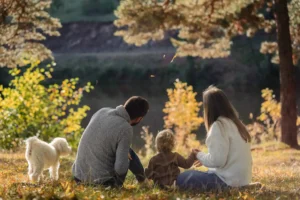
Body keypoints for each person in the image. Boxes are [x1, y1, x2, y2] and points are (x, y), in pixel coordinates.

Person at [176, 86, 252, 191]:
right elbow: (223, 158)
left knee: (182, 178)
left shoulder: (218, 126)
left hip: (228, 182)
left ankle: (234, 189)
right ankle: (242, 187)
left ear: (209, 108)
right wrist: (204, 159)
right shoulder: (236, 124)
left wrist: (197, 154)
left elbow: (218, 161)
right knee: (193, 175)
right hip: (242, 180)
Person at [72, 96, 149, 187]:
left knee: (124, 150)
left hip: (78, 178)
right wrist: (124, 156)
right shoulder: (125, 128)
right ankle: (143, 181)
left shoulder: (102, 111)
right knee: (128, 152)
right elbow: (120, 169)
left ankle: (143, 179)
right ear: (139, 119)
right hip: (102, 184)